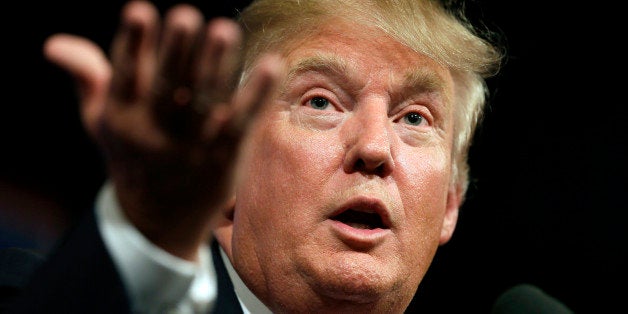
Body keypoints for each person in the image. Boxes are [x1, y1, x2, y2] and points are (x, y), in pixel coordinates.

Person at [5, 0, 502, 313]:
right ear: (227, 170)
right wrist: (150, 231)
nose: (373, 148)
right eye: (321, 102)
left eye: (414, 118)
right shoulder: (44, 294)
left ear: (451, 204)